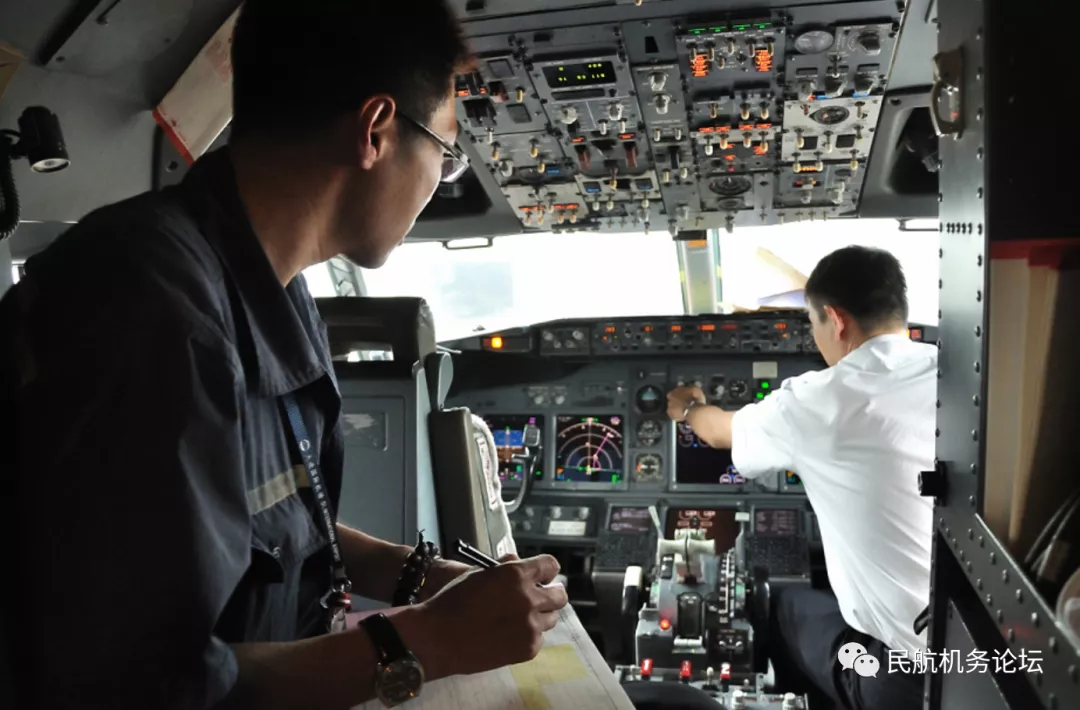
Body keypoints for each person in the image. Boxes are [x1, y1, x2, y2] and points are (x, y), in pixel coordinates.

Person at [1, 2, 567, 709]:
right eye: (446, 151)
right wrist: (432, 641)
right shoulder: (153, 314)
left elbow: (261, 517)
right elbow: (143, 686)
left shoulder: (266, 282)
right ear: (376, 130)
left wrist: (418, 573)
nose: (437, 181)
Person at [665, 246, 933, 710]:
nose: (815, 338)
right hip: (990, 650)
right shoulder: (957, 373)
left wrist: (687, 407)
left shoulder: (820, 397)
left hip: (905, 678)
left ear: (836, 319)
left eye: (812, 324)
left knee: (784, 603)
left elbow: (716, 432)